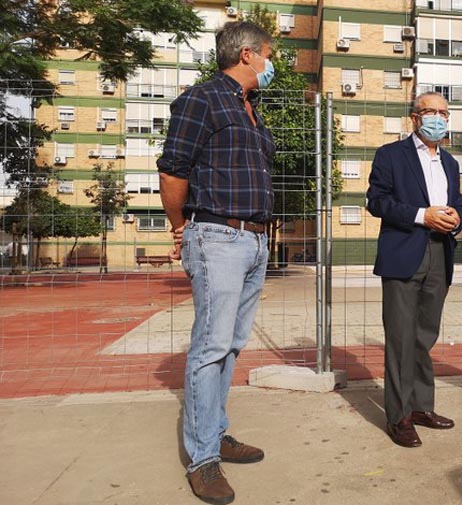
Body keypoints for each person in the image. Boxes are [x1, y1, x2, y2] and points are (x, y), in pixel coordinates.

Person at [158, 21, 276, 504]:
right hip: (217, 235)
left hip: (253, 240)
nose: (271, 63)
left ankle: (216, 430)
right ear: (247, 54)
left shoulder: (251, 109)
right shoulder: (201, 99)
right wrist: (181, 226)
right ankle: (203, 458)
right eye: (268, 54)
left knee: (230, 345)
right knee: (209, 345)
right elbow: (173, 169)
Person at [366, 92, 462, 448]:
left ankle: (422, 406)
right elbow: (376, 202)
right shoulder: (390, 155)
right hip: (403, 254)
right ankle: (400, 416)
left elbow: (458, 203)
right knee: (400, 338)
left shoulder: (451, 163)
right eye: (430, 111)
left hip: (440, 254)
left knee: (425, 335)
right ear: (414, 117)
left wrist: (455, 219)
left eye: (444, 112)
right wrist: (424, 215)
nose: (438, 118)